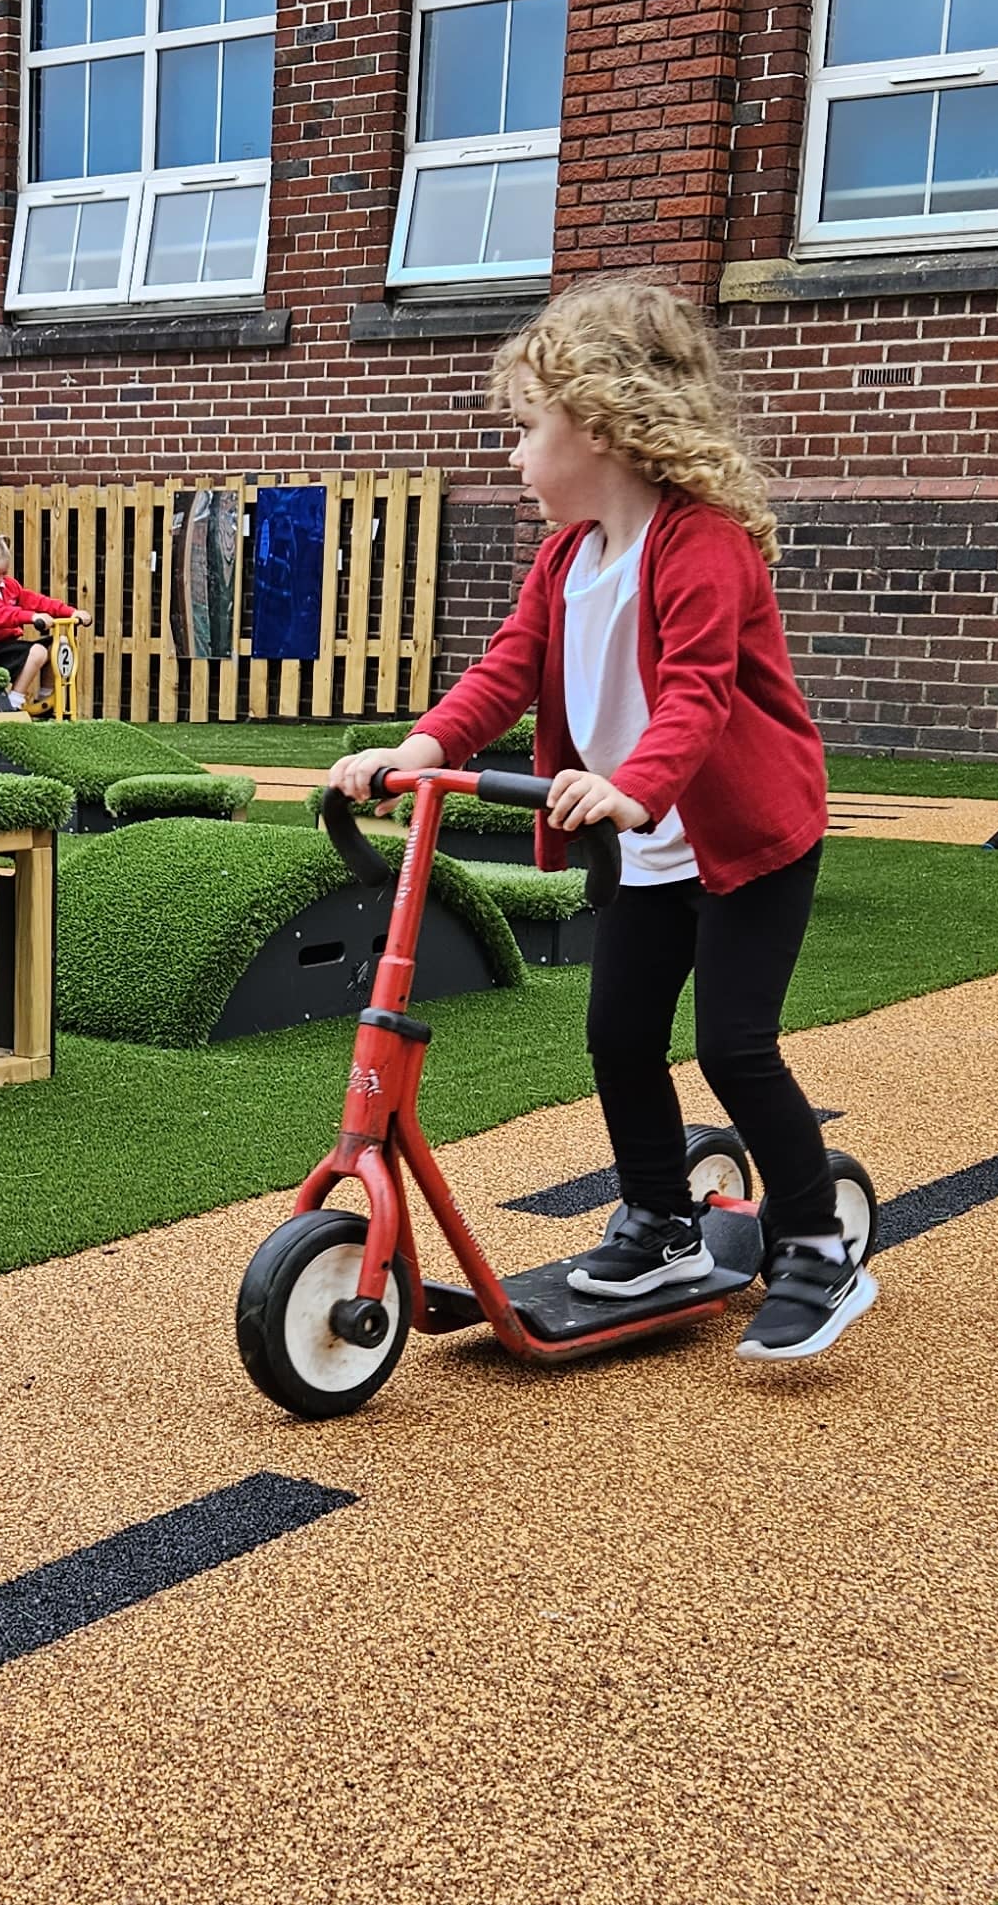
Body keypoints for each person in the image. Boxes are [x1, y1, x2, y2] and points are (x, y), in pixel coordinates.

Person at [328, 274, 866, 1362]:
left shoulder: (702, 544)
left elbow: (699, 694)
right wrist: (417, 750)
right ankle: (662, 1222)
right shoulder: (567, 557)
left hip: (742, 840)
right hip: (643, 844)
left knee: (732, 1044)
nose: (515, 456)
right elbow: (507, 671)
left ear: (607, 423)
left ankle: (815, 1240)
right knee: (618, 1035)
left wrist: (633, 785)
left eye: (528, 429)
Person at [0, 531, 79, 708]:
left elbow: (35, 600)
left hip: (8, 647)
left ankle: (44, 700)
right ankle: (14, 702)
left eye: (3, 573)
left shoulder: (8, 585)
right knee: (37, 652)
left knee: (59, 644)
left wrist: (70, 612)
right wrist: (32, 617)